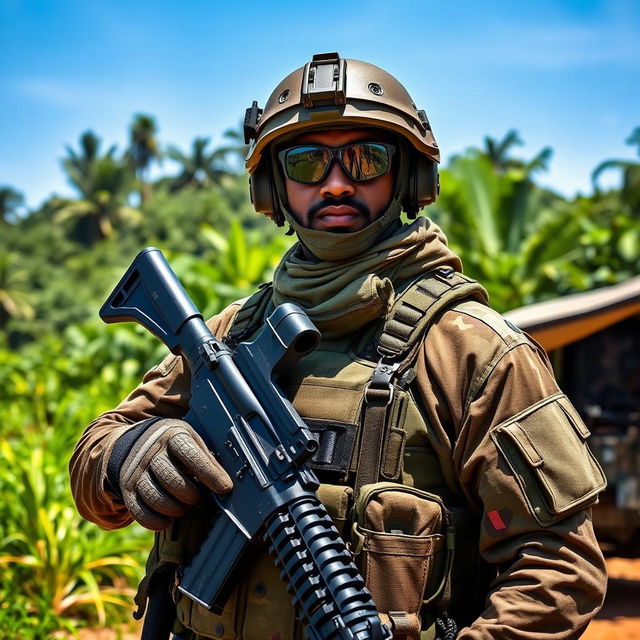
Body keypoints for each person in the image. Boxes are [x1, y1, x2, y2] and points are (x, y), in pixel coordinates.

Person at [70, 52, 608, 640]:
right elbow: (94, 458)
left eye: (365, 158)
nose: (335, 182)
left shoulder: (471, 350)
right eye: (305, 163)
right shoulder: (228, 333)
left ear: (408, 178)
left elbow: (559, 568)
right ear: (273, 185)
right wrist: (131, 454)